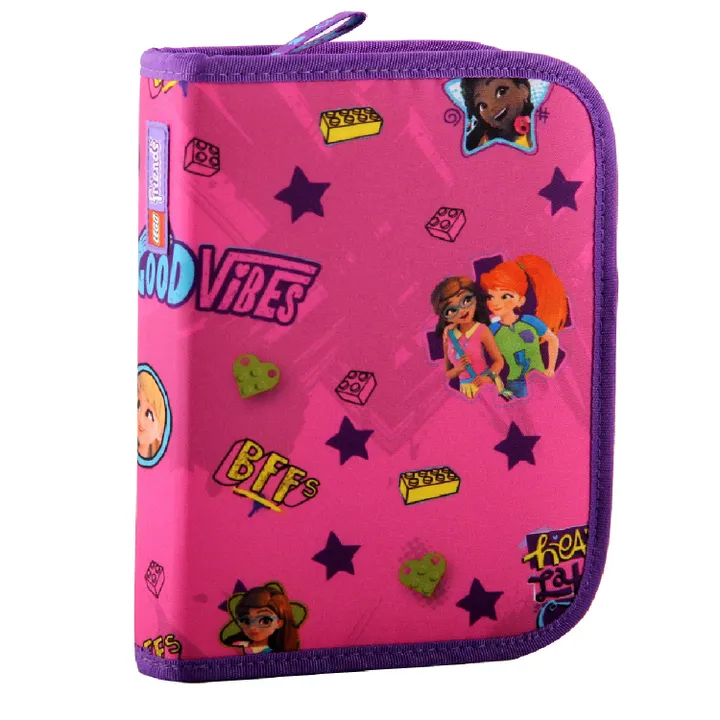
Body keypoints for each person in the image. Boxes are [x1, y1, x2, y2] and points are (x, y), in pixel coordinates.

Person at [480, 255, 568, 398]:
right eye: (490, 297)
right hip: (514, 384)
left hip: (539, 379)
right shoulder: (492, 329)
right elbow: (484, 356)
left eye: (505, 296)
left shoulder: (530, 321)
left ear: (520, 300)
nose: (495, 303)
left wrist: (550, 369)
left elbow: (553, 339)